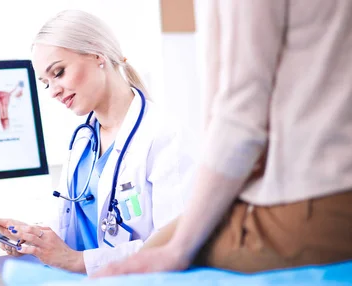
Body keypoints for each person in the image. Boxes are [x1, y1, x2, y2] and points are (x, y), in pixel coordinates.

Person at [93, 0, 352, 277]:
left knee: (134, 273)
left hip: (317, 201)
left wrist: (178, 250)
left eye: (59, 71)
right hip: (322, 190)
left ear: (99, 59)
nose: (53, 90)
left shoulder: (162, 129)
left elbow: (241, 122)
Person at [0, 10, 195, 275]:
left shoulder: (167, 138)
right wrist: (33, 238)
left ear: (97, 54)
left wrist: (78, 261)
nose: (53, 91)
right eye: (46, 83)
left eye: (58, 72)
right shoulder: (83, 141)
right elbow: (72, 229)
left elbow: (176, 248)